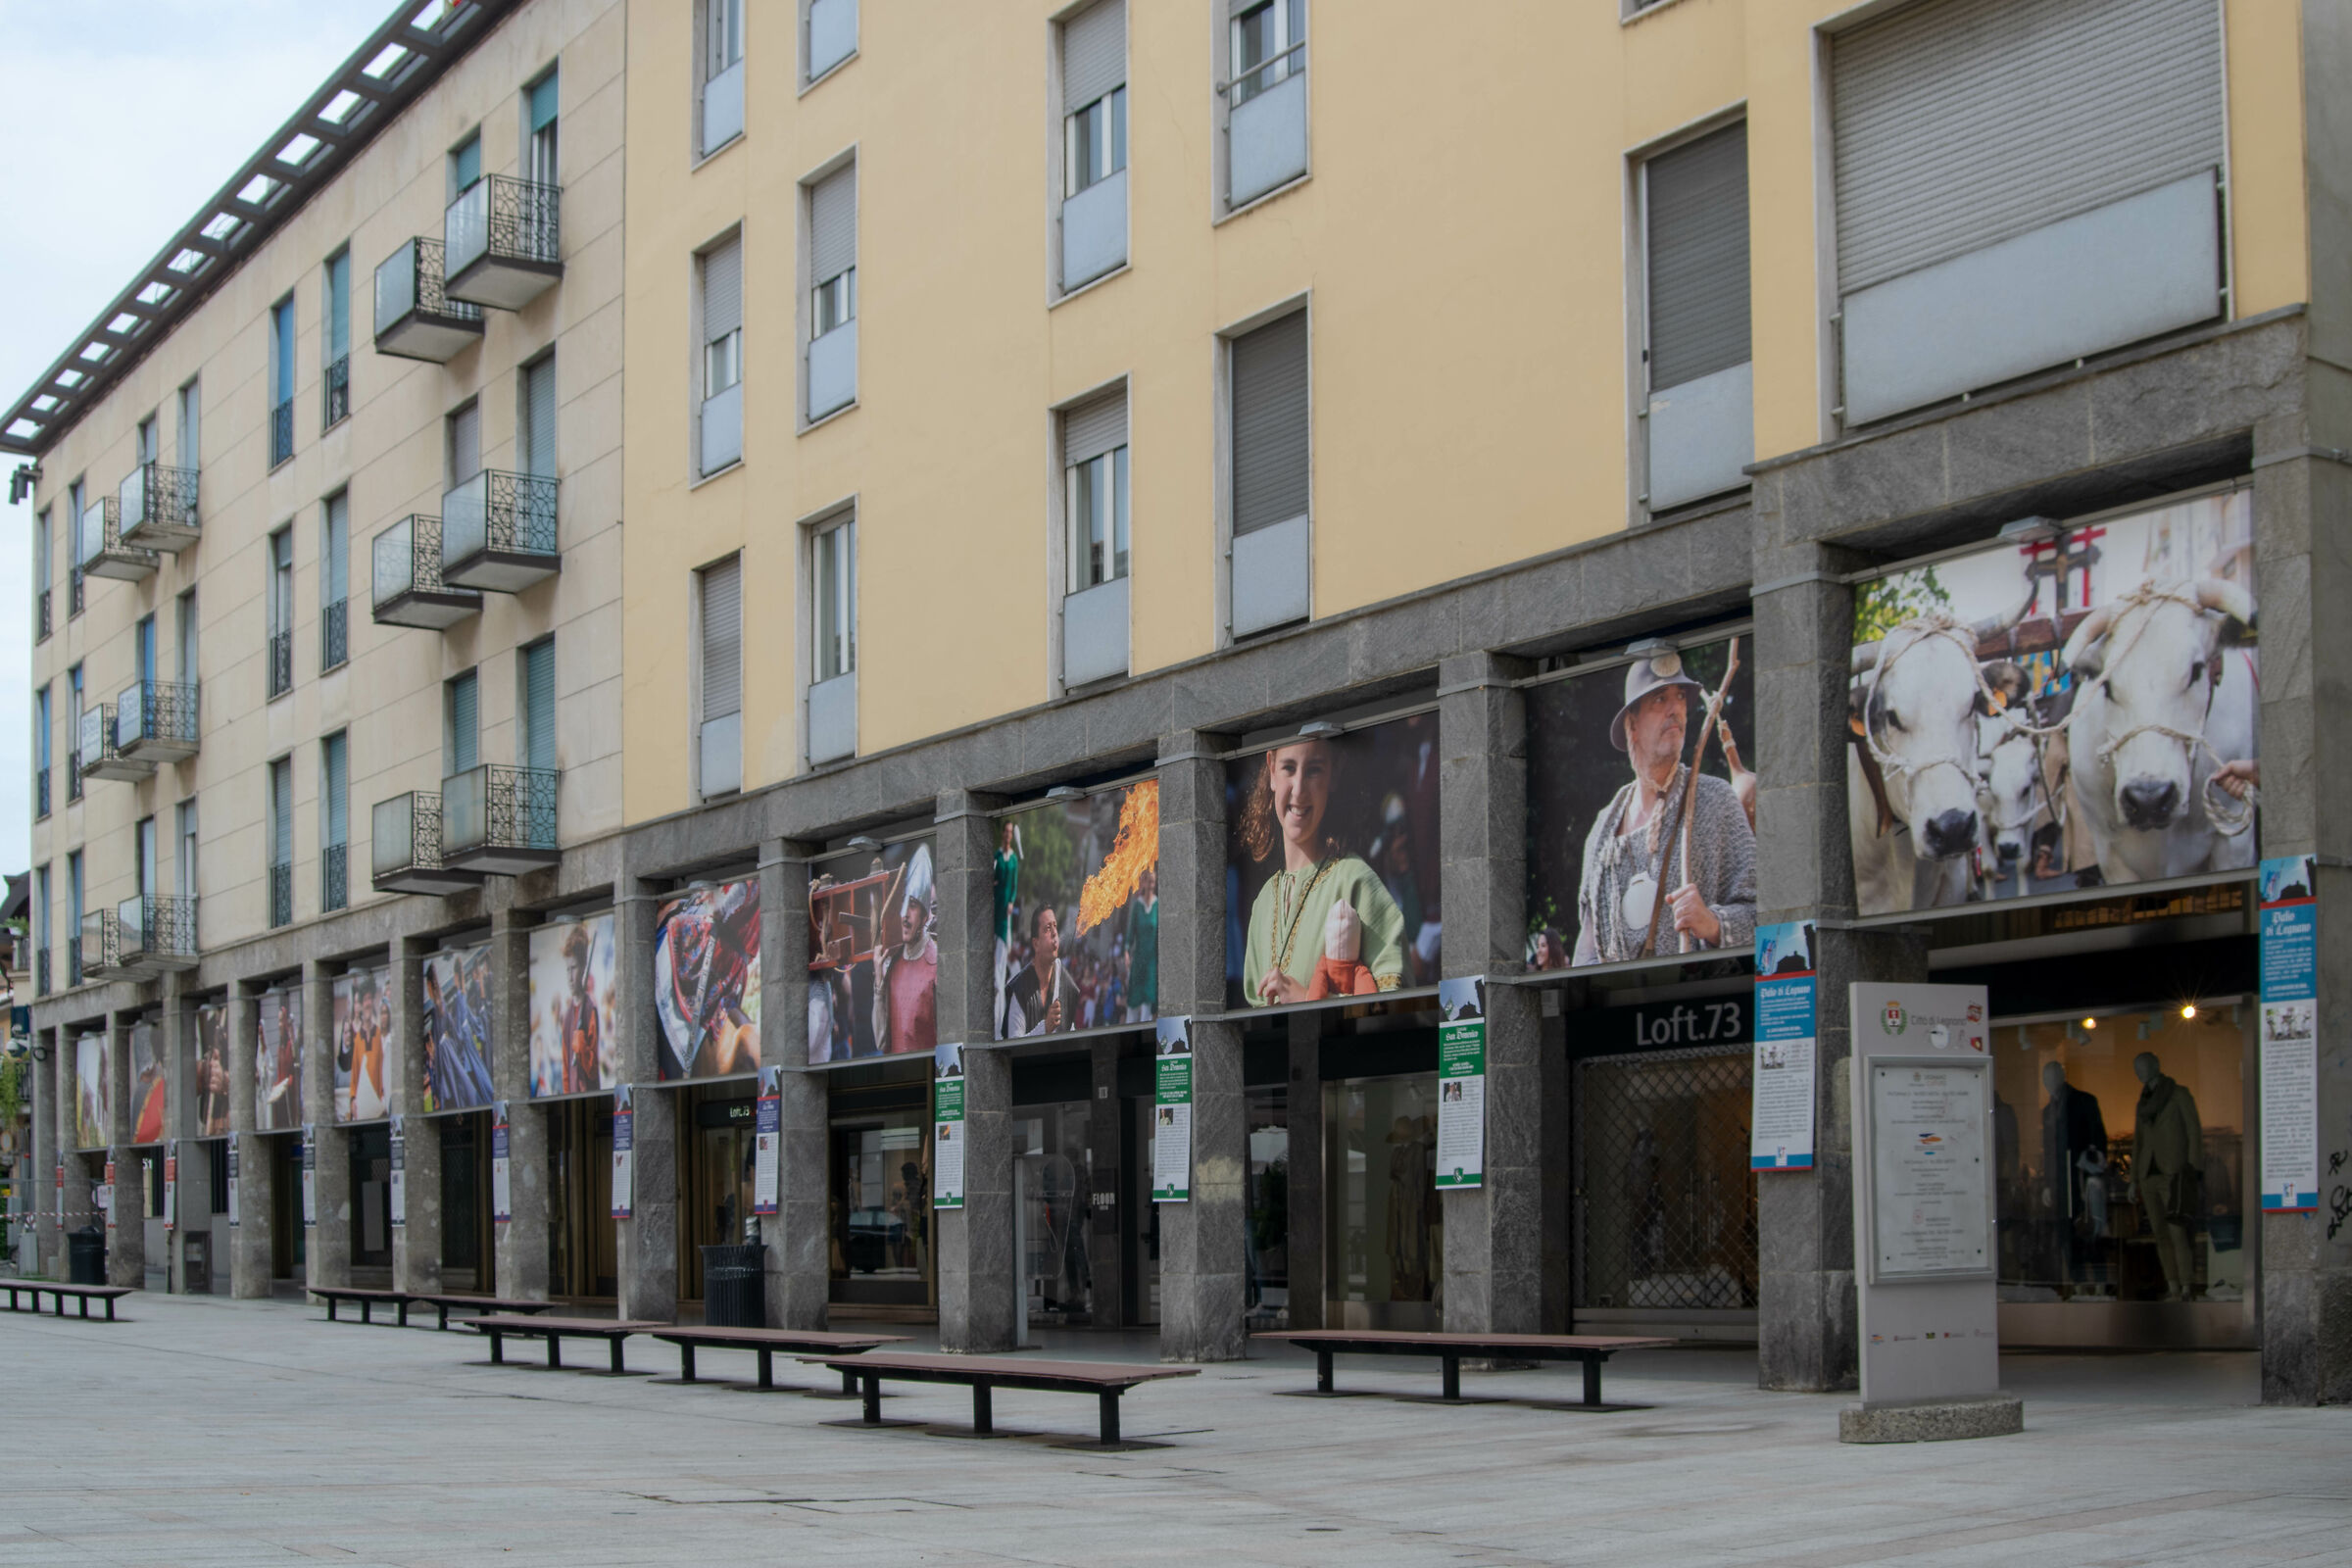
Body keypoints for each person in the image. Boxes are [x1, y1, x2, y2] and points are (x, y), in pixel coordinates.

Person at [1574, 652, 1756, 965]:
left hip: (1703, 1008)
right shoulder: (1602, 832)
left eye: (1681, 698)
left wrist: (1712, 924)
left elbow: (1771, 916)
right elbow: (1587, 952)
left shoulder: (1716, 801)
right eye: (1659, 699)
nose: (1675, 709)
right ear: (1632, 725)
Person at [1238, 738, 1408, 1005]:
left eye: (1314, 770)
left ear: (1334, 775)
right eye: (1289, 768)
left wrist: (1308, 998)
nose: (1299, 789)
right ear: (1271, 771)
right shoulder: (1263, 904)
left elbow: (1398, 1001)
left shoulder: (1354, 879)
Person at [2132, 1051, 2203, 1300]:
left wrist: (2193, 1170)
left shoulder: (2178, 1094)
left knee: (2177, 1231)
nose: (2139, 1073)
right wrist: (2133, 1180)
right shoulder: (2142, 1103)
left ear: (2156, 1065)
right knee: (2160, 1233)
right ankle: (2172, 1284)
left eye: (2143, 1067)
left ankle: (2186, 1284)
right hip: (2147, 1173)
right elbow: (2138, 1142)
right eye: (2136, 1069)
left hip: (2173, 1171)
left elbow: (2194, 1130)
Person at [2039, 1060, 2108, 1288]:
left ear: (2062, 1076)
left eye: (2052, 1077)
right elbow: (2048, 1150)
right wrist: (2047, 1184)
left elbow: (2098, 1139)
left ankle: (2099, 1283)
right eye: (2045, 1079)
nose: (2049, 1084)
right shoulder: (2048, 1111)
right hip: (2061, 1181)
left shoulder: (2084, 1101)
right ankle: (2078, 1283)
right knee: (2066, 1233)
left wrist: (2092, 1170)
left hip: (2083, 1178)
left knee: (2091, 1228)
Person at [872, 873, 939, 1055]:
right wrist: (879, 978)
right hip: (898, 1077)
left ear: (925, 916)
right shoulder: (892, 963)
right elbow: (881, 1040)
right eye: (903, 906)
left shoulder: (939, 962)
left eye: (913, 906)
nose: (905, 916)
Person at [1004, 905, 1081, 1036]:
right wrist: (1044, 1028)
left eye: (1055, 926)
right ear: (1036, 944)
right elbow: (1015, 1047)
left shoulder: (1067, 986)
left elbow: (1069, 1032)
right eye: (1047, 928)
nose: (1054, 933)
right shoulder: (1019, 992)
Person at [558, 924, 603, 1095]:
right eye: (567, 969)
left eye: (574, 968)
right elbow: (565, 1067)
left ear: (583, 967)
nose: (570, 977)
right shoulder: (567, 1014)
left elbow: (592, 1071)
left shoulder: (590, 1009)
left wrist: (582, 1046)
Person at [1125, 866, 1157, 1023]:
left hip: (1151, 962)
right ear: (1143, 883)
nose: (1151, 885)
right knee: (1134, 1001)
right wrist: (1126, 951)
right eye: (1148, 881)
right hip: (1138, 960)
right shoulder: (1137, 906)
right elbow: (1131, 932)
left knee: (1147, 1001)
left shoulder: (1158, 906)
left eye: (1153, 882)